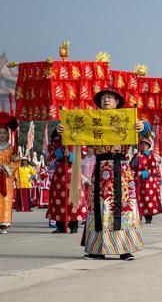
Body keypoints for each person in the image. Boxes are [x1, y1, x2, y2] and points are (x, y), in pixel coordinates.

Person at [56, 88, 150, 260]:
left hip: (121, 168)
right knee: (99, 208)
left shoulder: (127, 118)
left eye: (110, 98)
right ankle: (97, 249)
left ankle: (125, 248)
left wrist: (143, 126)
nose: (106, 100)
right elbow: (71, 129)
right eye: (103, 98)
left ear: (117, 102)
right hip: (100, 169)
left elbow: (147, 133)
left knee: (123, 208)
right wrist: (61, 128)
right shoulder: (92, 120)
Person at [46, 130, 87, 233]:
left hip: (73, 170)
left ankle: (74, 225)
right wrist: (56, 132)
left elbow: (83, 153)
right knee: (59, 197)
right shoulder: (59, 134)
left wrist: (70, 156)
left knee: (74, 197)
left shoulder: (79, 135)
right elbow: (51, 149)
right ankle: (60, 225)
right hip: (60, 171)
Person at [132, 138, 162, 224]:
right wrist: (136, 160)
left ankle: (148, 216)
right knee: (137, 198)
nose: (143, 146)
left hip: (147, 181)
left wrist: (145, 173)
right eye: (142, 144)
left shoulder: (151, 155)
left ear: (148, 146)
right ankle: (138, 216)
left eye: (145, 145)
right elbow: (131, 165)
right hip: (137, 180)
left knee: (147, 197)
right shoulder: (136, 155)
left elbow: (153, 167)